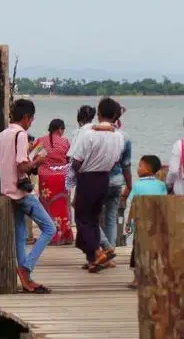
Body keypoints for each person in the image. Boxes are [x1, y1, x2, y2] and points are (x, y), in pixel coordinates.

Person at [0, 99, 56, 293]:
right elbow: (21, 165)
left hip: (6, 192)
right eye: (32, 119)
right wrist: (37, 160)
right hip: (21, 192)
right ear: (26, 117)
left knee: (20, 233)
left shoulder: (1, 136)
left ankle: (25, 278)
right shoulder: (21, 135)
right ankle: (26, 268)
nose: (31, 123)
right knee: (49, 228)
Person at [70, 97, 125, 273]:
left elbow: (76, 161)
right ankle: (94, 257)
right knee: (93, 219)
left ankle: (96, 252)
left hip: (88, 178)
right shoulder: (119, 137)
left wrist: (76, 173)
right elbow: (116, 160)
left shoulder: (89, 134)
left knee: (82, 219)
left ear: (99, 113)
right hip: (104, 179)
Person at [95, 105, 132, 268]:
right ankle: (109, 255)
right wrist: (129, 185)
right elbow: (126, 165)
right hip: (117, 181)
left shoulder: (93, 134)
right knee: (110, 218)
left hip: (97, 180)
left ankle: (105, 247)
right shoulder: (124, 137)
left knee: (89, 218)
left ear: (99, 114)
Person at [124, 155, 167, 288]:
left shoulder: (138, 185)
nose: (138, 168)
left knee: (137, 251)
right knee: (154, 251)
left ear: (147, 168)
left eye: (140, 165)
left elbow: (134, 205)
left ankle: (137, 279)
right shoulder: (161, 185)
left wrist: (128, 221)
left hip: (140, 225)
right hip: (156, 224)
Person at [34, 119, 73, 245]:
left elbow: (33, 157)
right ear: (59, 129)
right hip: (62, 178)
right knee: (63, 207)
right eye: (63, 130)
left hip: (46, 179)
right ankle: (65, 235)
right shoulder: (65, 142)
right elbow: (70, 159)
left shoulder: (40, 141)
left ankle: (51, 235)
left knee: (47, 207)